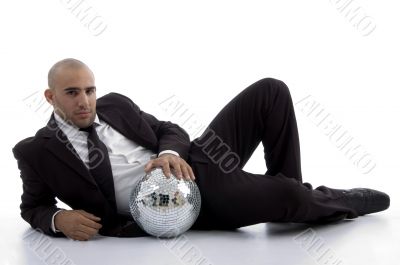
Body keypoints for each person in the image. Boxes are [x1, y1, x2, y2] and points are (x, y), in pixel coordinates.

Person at [12, 58, 390, 241]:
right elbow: (33, 207)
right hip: (181, 205)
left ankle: (289, 200)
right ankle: (320, 200)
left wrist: (170, 153)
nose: (84, 101)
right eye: (72, 93)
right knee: (286, 194)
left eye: (89, 90)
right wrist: (58, 221)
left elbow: (168, 129)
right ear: (50, 97)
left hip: (195, 164)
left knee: (271, 90)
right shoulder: (36, 151)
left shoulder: (116, 105)